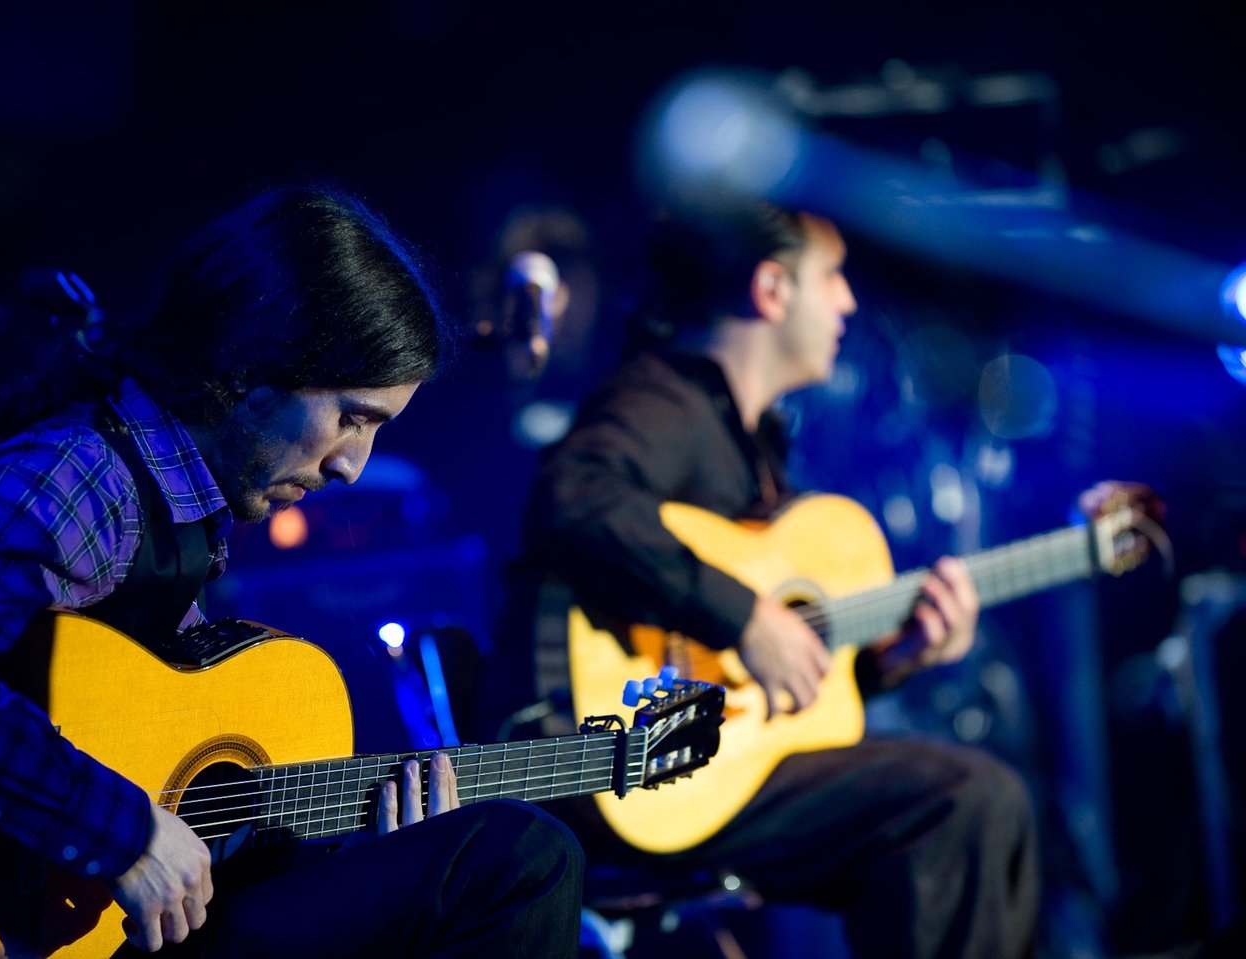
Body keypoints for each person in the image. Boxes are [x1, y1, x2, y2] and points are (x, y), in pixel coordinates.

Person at [0, 183, 584, 958]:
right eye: (351, 416)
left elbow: (163, 777)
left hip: (132, 927)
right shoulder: (83, 478)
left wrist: (366, 848)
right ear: (251, 367)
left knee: (470, 861)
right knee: (518, 857)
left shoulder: (187, 509)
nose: (353, 464)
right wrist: (118, 828)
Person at [484, 197, 1160, 959]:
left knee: (973, 796)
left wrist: (884, 663)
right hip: (617, 761)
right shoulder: (662, 399)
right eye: (832, 276)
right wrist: (746, 618)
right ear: (771, 289)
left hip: (702, 763)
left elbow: (767, 685)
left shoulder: (757, 440)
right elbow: (575, 496)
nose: (848, 300)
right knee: (959, 801)